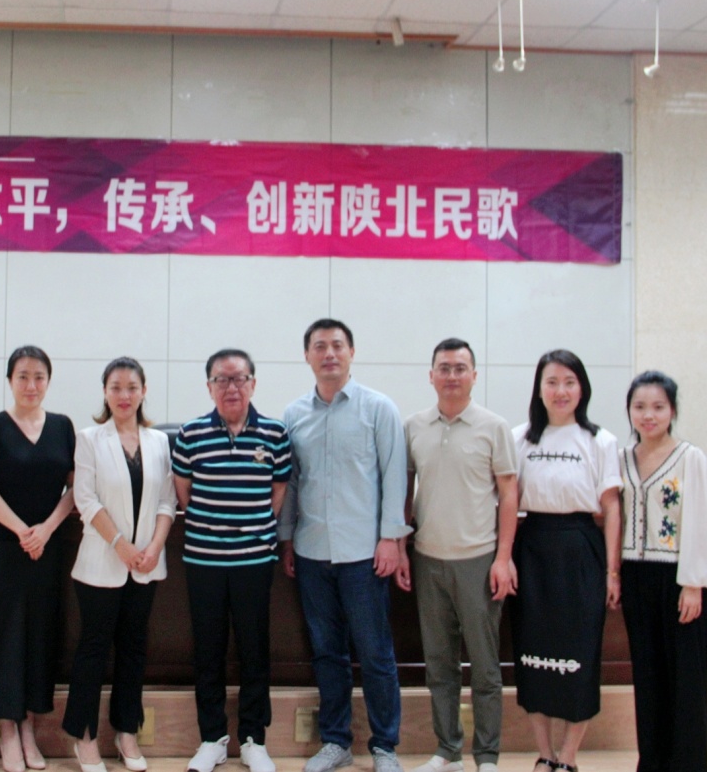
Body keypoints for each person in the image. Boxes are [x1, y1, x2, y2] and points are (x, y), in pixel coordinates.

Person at [277, 319, 411, 772]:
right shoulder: (294, 415)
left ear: (352, 352)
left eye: (337, 345)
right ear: (307, 356)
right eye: (320, 346)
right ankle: (336, 742)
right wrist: (287, 540)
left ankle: (385, 746)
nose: (329, 353)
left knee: (375, 653)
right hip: (312, 552)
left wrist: (390, 539)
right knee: (327, 652)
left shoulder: (378, 408)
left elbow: (394, 477)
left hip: (364, 555)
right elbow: (292, 483)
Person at [172, 349, 291, 772]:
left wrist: (249, 530)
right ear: (209, 388)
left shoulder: (275, 434)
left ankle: (254, 739)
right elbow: (184, 494)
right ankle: (213, 738)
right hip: (204, 560)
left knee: (254, 648)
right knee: (208, 650)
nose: (231, 387)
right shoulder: (190, 434)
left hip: (254, 561)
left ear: (253, 384)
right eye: (221, 380)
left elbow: (277, 495)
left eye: (239, 378)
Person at [404, 339, 518, 772]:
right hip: (428, 559)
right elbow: (405, 492)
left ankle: (486, 756)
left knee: (485, 669)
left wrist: (503, 558)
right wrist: (401, 547)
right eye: (444, 368)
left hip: (479, 561)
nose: (451, 376)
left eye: (460, 368)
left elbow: (509, 493)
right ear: (430, 375)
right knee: (439, 665)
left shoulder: (494, 427)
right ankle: (447, 750)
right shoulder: (414, 426)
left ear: (474, 375)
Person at [62, 357, 176, 772]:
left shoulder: (159, 441)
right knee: (93, 650)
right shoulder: (90, 438)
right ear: (105, 392)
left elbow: (167, 500)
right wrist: (121, 545)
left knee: (133, 648)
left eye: (132, 387)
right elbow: (85, 498)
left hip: (146, 564)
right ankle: (84, 736)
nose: (124, 395)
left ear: (144, 391)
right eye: (116, 387)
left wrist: (154, 546)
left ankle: (127, 731)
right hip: (101, 563)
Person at [511, 349, 622, 772]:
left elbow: (611, 507)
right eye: (552, 382)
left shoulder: (601, 440)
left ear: (582, 388)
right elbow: (507, 501)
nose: (561, 391)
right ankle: (544, 753)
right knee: (533, 652)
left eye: (569, 382)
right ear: (539, 389)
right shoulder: (520, 438)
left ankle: (569, 757)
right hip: (532, 548)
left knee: (581, 651)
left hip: (581, 549)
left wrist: (612, 571)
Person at [0, 346, 76, 772]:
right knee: (4, 637)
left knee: (39, 635)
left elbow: (75, 488)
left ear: (48, 381)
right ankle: (7, 730)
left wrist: (45, 530)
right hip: (2, 547)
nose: (31, 385)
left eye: (39, 377)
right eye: (23, 377)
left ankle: (30, 725)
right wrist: (22, 531)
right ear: (10, 381)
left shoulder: (63, 426)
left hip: (47, 550)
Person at [619, 371, 707, 772]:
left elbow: (701, 522)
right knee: (648, 678)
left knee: (687, 682)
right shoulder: (622, 459)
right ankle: (653, 762)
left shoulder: (690, 457)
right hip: (636, 577)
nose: (648, 415)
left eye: (658, 407)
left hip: (680, 579)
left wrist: (693, 584)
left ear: (672, 411)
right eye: (640, 407)